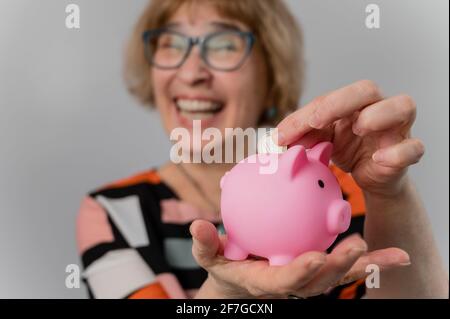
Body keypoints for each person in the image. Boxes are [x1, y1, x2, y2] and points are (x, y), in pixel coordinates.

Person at [76, 0, 448, 299]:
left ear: (271, 72)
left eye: (223, 45)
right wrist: (229, 290)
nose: (191, 73)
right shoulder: (115, 213)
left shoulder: (341, 189)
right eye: (171, 44)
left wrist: (390, 193)